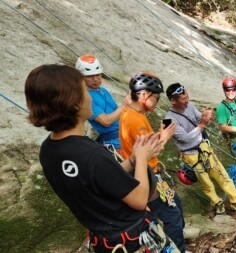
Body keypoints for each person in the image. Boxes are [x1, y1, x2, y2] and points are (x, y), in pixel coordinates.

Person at [24, 64, 173, 252]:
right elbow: (139, 199)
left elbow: (102, 179)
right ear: (75, 103)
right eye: (85, 91)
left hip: (102, 241)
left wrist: (133, 159)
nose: (89, 97)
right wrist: (142, 161)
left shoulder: (48, 151)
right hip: (133, 239)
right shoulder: (93, 153)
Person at [118, 72, 188, 252]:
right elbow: (147, 152)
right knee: (171, 216)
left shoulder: (132, 113)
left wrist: (158, 133)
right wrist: (164, 137)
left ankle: (174, 240)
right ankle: (176, 248)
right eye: (155, 97)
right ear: (143, 96)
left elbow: (143, 142)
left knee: (176, 205)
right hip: (147, 176)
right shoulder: (135, 120)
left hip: (149, 174)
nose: (157, 102)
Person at [165, 83, 236, 214]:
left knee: (222, 175)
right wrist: (202, 125)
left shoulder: (189, 106)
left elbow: (198, 118)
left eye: (187, 97)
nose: (187, 101)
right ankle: (217, 203)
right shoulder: (168, 120)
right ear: (173, 101)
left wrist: (205, 116)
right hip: (190, 155)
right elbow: (185, 138)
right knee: (206, 183)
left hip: (204, 148)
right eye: (183, 99)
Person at [75, 55, 130, 151]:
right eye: (90, 76)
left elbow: (118, 114)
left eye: (98, 75)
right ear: (81, 78)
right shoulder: (85, 98)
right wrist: (124, 105)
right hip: (115, 144)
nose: (95, 79)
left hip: (126, 137)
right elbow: (105, 122)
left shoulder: (104, 90)